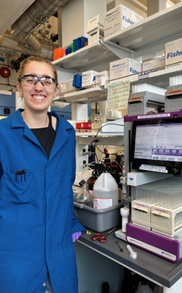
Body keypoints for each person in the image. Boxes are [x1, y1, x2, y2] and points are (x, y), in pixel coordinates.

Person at [0, 56, 86, 293]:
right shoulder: (2, 135)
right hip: (17, 258)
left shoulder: (67, 133)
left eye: (46, 80)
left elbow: (65, 185)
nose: (39, 86)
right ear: (19, 86)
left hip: (60, 255)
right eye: (31, 79)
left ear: (56, 89)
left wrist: (70, 222)